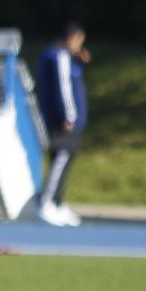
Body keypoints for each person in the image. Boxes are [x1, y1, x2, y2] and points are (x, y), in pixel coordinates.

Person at [35, 23, 90, 227]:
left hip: (66, 119)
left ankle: (57, 202)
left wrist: (79, 64)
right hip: (64, 121)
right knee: (60, 159)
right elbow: (63, 87)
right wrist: (69, 115)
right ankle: (46, 202)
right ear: (72, 38)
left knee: (65, 159)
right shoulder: (59, 56)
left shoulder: (65, 58)